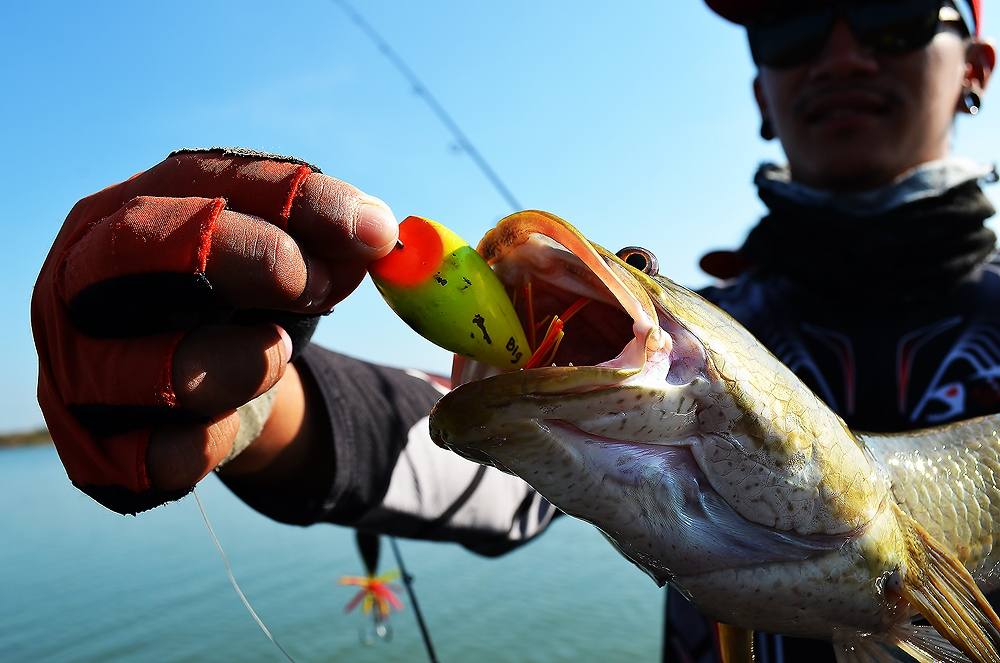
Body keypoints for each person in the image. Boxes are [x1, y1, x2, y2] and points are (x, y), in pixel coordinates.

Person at [29, 0, 997, 660]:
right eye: (787, 24)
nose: (836, 52)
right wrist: (257, 403)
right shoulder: (719, 328)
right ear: (756, 93)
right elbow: (495, 462)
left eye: (889, 10)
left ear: (978, 64)